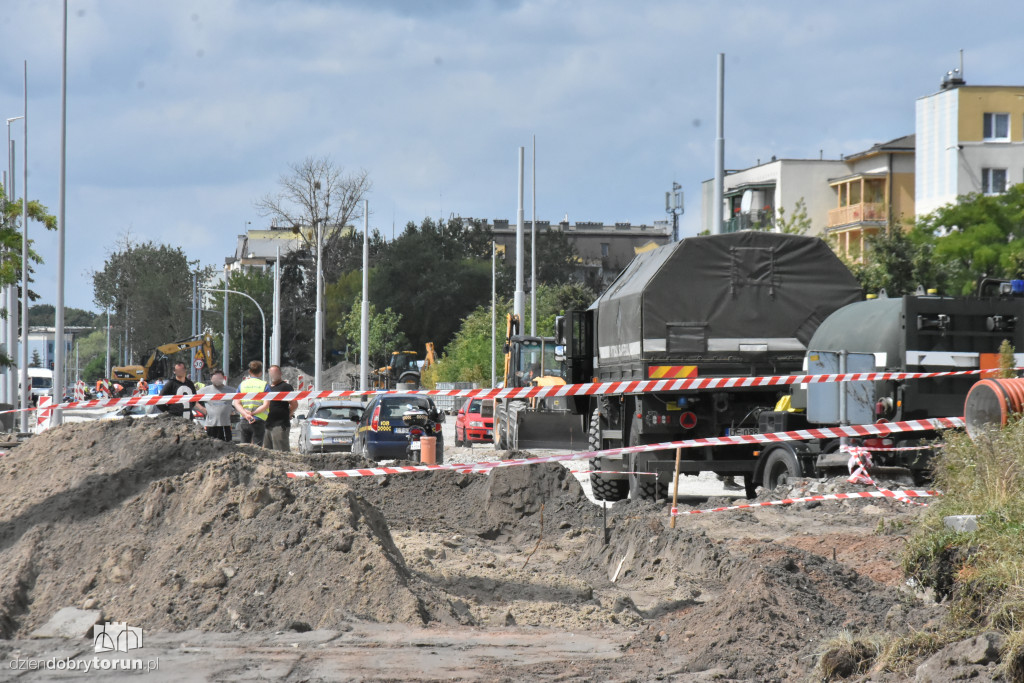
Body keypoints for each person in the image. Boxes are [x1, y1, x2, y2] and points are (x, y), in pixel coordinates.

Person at [233, 360, 269, 445]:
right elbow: (266, 404)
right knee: (257, 447)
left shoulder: (242, 384)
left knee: (244, 446)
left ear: (249, 371)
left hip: (244, 420)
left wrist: (246, 415)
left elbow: (236, 403)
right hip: (258, 420)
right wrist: (253, 413)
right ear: (261, 372)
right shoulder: (264, 385)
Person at [263, 364, 297, 452]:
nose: (273, 374)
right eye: (271, 372)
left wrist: (289, 414)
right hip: (268, 425)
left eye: (275, 372)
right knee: (266, 452)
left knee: (281, 452)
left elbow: (294, 404)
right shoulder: (268, 388)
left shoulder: (285, 387)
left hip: (280, 425)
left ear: (280, 373)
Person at [195, 368, 235, 442]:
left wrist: (232, 410)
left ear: (223, 378)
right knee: (211, 446)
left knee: (227, 445)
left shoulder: (231, 390)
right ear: (211, 379)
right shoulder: (204, 390)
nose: (217, 380)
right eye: (215, 378)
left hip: (225, 424)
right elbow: (193, 400)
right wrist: (203, 410)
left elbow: (237, 402)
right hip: (211, 424)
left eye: (219, 378)